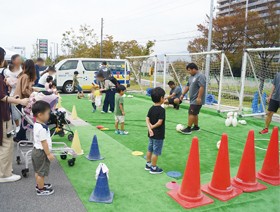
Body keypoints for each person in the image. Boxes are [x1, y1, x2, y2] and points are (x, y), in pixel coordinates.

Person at [0, 47, 28, 183]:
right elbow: (2, 97)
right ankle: (4, 175)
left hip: (4, 113)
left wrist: (9, 90)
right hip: (2, 115)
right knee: (6, 143)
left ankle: (4, 170)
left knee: (4, 143)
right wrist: (19, 100)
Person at [31, 101, 55, 195]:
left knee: (38, 171)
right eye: (48, 113)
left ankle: (39, 185)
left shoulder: (37, 125)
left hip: (36, 151)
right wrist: (48, 154)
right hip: (41, 152)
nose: (49, 115)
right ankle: (41, 190)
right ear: (40, 115)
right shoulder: (41, 129)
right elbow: (44, 142)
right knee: (41, 172)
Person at [14, 59, 37, 142]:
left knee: (25, 119)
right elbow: (24, 90)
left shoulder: (23, 75)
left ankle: (21, 137)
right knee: (26, 119)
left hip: (17, 99)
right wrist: (32, 94)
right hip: (21, 100)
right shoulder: (26, 76)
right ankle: (19, 137)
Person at [179, 63, 206, 135]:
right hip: (192, 99)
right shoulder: (191, 77)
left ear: (194, 69)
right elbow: (188, 86)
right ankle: (196, 127)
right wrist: (182, 94)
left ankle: (188, 129)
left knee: (191, 113)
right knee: (195, 113)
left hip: (197, 99)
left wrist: (199, 97)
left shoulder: (201, 76)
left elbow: (202, 87)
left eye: (189, 70)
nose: (189, 72)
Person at [145, 87, 166, 174]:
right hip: (158, 134)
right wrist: (152, 127)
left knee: (150, 149)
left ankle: (148, 164)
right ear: (161, 98)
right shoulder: (162, 110)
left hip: (151, 133)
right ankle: (153, 168)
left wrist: (150, 128)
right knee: (156, 151)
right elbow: (160, 122)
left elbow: (147, 119)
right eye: (164, 97)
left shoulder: (151, 108)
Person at [3, 54, 22, 132]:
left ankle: (21, 127)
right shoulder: (8, 71)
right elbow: (6, 81)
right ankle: (17, 127)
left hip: (20, 94)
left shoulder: (21, 69)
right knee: (15, 113)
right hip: (13, 95)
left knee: (22, 113)